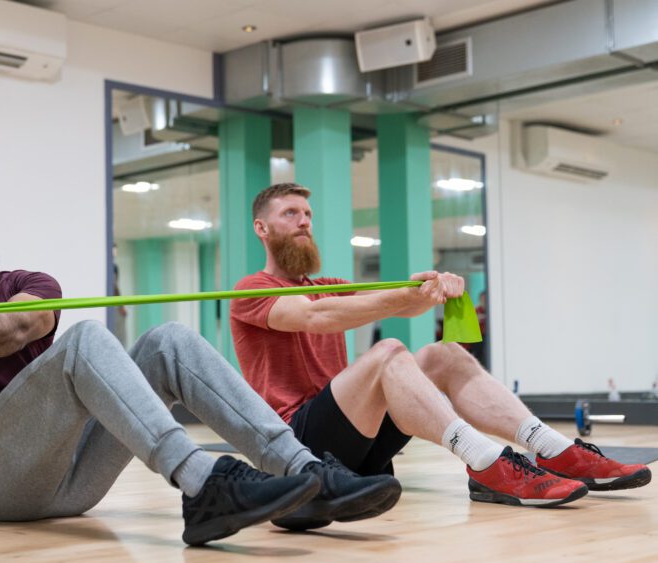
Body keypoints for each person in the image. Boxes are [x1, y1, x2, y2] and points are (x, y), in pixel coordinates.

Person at [0, 176, 403, 546]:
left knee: (168, 340)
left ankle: (305, 471)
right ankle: (203, 483)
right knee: (86, 340)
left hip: (75, 477)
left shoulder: (31, 286)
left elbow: (18, 330)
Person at [231, 183, 651, 513]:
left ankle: (554, 450)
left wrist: (429, 288)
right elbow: (314, 316)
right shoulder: (252, 289)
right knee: (389, 351)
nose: (304, 222)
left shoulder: (330, 286)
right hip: (298, 443)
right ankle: (486, 462)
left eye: (307, 214)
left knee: (442, 353)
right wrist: (407, 296)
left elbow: (401, 304)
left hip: (355, 444)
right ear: (261, 228)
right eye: (290, 214)